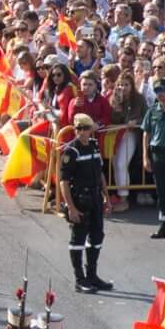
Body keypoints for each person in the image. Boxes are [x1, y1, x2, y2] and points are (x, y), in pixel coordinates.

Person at [61, 115, 113, 292]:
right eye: (79, 129)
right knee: (78, 240)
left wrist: (106, 197)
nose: (82, 132)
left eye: (86, 129)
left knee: (97, 237)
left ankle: (92, 275)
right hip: (80, 200)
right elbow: (64, 182)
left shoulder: (94, 146)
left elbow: (100, 174)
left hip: (96, 198)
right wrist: (71, 207)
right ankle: (79, 279)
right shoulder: (71, 152)